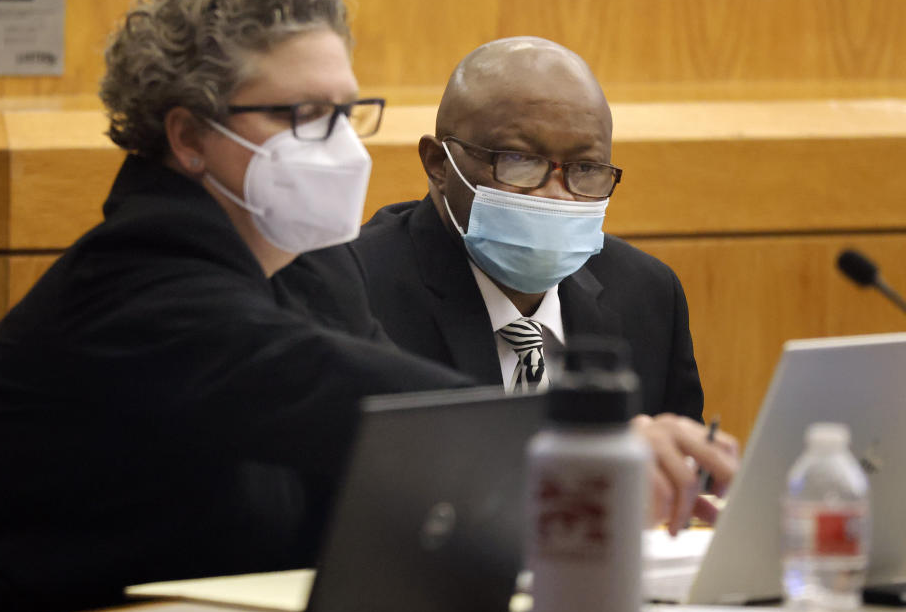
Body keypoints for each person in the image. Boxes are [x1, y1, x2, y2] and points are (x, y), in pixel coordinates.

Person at [0, 0, 468, 612]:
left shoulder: (319, 268)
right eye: (304, 115)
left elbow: (387, 472)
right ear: (190, 136)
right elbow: (325, 386)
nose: (339, 145)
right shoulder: (131, 279)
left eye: (346, 112)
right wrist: (577, 431)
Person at [282, 35, 735, 532]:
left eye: (585, 169)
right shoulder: (353, 289)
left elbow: (676, 496)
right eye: (519, 161)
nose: (556, 194)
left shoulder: (647, 293)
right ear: (439, 164)